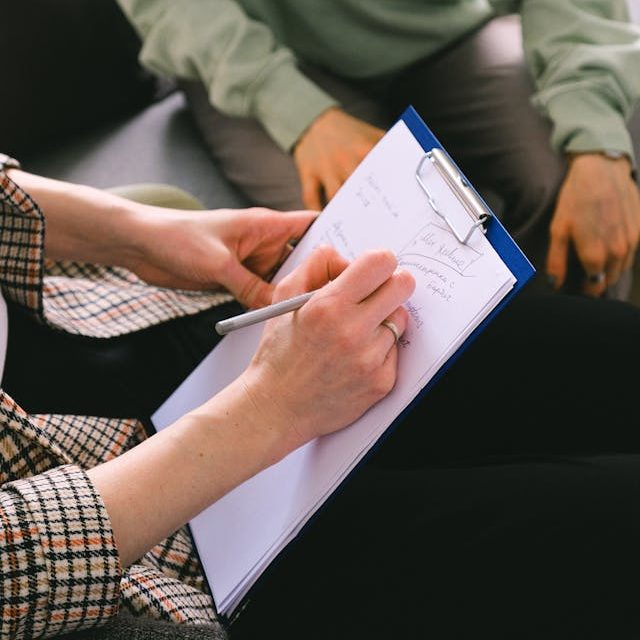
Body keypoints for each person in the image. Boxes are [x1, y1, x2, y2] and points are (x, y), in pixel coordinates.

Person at [3, 153, 640, 640]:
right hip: (113, 545)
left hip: (105, 319)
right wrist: (267, 410)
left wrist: (133, 233)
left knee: (605, 356)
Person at [115, 0, 640, 299]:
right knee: (356, 248)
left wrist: (594, 139)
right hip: (253, 50)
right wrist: (300, 114)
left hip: (441, 30)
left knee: (569, 175)